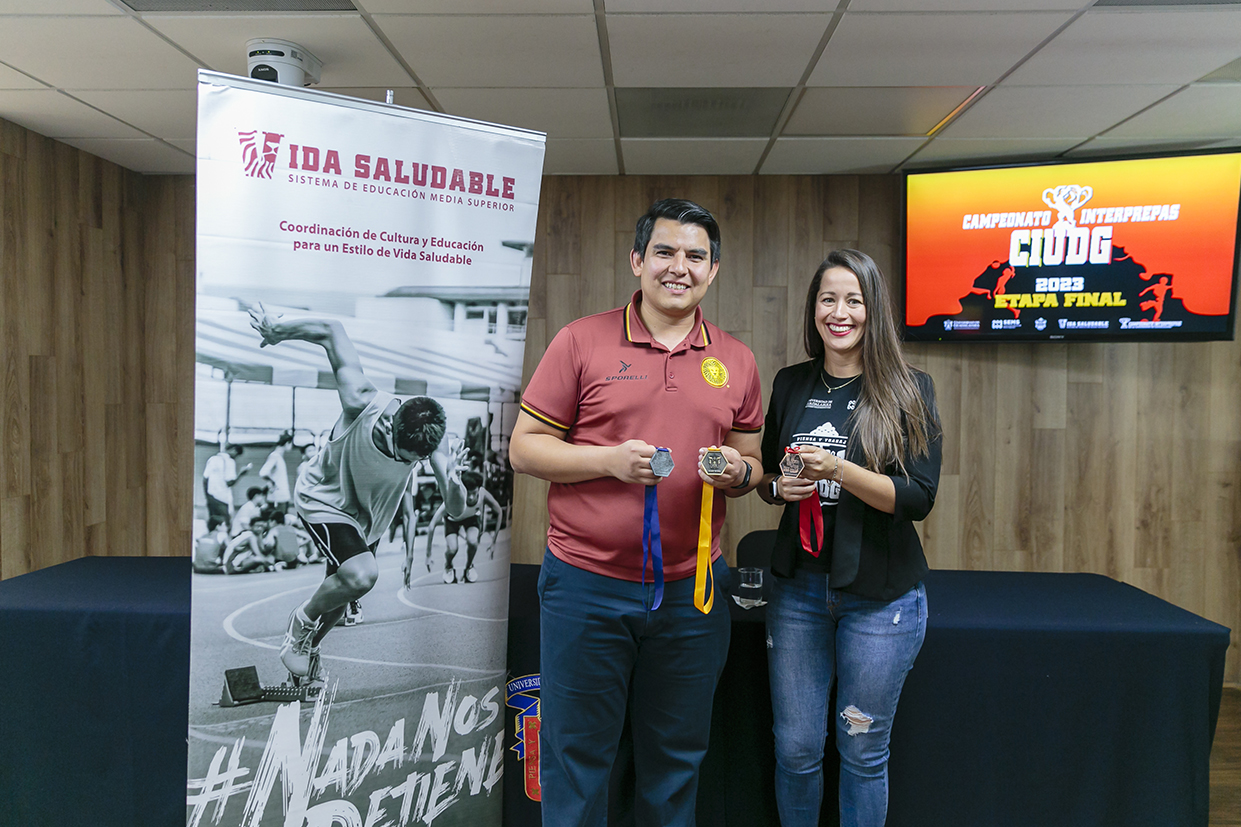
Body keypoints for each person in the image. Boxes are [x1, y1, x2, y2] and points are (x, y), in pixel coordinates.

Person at [509, 198, 764, 826]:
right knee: (576, 758)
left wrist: (739, 473)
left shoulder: (736, 360)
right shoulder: (581, 340)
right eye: (665, 252)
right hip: (584, 588)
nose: (680, 267)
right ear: (637, 261)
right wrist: (609, 462)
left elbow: (752, 459)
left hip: (693, 594)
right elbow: (524, 448)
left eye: (696, 256)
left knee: (676, 761)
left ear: (714, 271)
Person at [756, 249, 942, 827]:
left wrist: (838, 470)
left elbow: (917, 496)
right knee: (795, 751)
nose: (839, 312)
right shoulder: (790, 383)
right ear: (814, 309)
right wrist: (776, 488)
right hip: (798, 596)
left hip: (880, 599)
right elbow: (766, 474)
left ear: (873, 310)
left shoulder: (910, 388)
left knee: (861, 753)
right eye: (827, 299)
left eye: (853, 300)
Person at [248, 305, 467, 685]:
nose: (415, 464)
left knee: (342, 589)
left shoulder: (433, 440)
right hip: (324, 499)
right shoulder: (361, 400)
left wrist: (453, 482)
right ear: (392, 427)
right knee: (361, 574)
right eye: (410, 459)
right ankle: (299, 623)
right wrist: (281, 329)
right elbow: (331, 328)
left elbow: (455, 508)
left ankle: (308, 646)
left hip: (368, 518)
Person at [420, 469, 502, 585]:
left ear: (479, 489)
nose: (471, 497)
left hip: (471, 519)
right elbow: (432, 525)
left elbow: (499, 511)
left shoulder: (483, 494)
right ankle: (448, 565)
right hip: (452, 520)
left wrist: (494, 542)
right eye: (469, 493)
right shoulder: (454, 497)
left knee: (473, 542)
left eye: (475, 493)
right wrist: (428, 555)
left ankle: (469, 567)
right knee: (453, 549)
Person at [202, 443, 250, 531]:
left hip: (211, 496)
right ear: (234, 451)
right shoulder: (230, 461)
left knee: (213, 523)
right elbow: (230, 482)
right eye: (237, 455)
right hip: (222, 498)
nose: (236, 457)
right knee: (225, 525)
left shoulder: (212, 459)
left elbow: (205, 479)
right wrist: (241, 474)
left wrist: (208, 497)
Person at [260, 430, 295, 511]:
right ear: (287, 443)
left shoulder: (278, 457)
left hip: (281, 496)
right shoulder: (275, 456)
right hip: (277, 497)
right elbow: (263, 472)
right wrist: (272, 482)